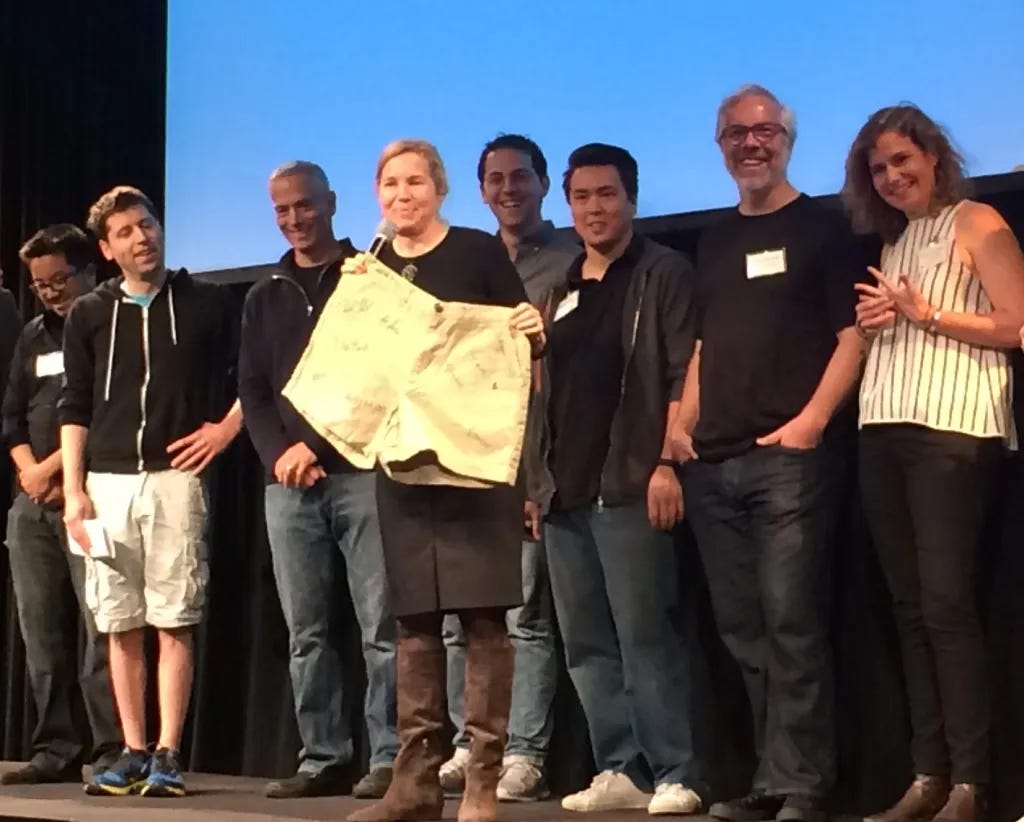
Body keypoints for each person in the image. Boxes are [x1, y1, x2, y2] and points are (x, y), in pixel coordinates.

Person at [672, 85, 863, 822]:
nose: (751, 143)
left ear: (787, 138)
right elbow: (699, 346)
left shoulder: (825, 227)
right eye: (736, 133)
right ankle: (771, 778)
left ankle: (805, 786)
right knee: (743, 631)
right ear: (719, 144)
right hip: (713, 464)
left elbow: (853, 335)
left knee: (791, 624)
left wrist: (811, 422)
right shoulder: (714, 239)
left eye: (765, 131)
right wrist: (681, 428)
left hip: (789, 459)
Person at [347, 138, 544, 822]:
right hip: (402, 466)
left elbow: (521, 339)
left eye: (415, 182)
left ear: (440, 188)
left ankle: (483, 780)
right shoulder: (368, 269)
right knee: (414, 619)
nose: (402, 194)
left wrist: (530, 328)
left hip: (475, 463)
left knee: (483, 615)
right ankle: (416, 784)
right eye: (390, 184)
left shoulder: (476, 252)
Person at [843, 104, 1024, 822]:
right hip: (883, 427)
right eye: (878, 168)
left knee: (948, 610)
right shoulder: (897, 241)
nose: (892, 176)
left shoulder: (977, 221)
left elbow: (1017, 323)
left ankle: (973, 784)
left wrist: (928, 317)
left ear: (934, 156)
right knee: (910, 611)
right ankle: (929, 773)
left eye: (901, 160)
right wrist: (880, 323)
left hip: (953, 431)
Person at [60, 186, 243, 797]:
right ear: (108, 250)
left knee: (174, 616)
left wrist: (225, 430)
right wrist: (74, 489)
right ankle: (132, 750)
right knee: (120, 623)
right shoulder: (90, 313)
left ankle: (168, 753)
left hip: (173, 479)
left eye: (148, 224)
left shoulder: (205, 303)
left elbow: (257, 373)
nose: (144, 238)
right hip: (107, 483)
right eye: (128, 232)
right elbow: (74, 403)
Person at [544, 142, 703, 816]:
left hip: (633, 481)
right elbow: (542, 394)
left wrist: (668, 459)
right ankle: (619, 765)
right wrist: (535, 486)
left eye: (606, 194)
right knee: (585, 644)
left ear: (631, 199)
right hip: (565, 491)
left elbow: (684, 369)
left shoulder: (662, 271)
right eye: (581, 197)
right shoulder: (561, 285)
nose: (593, 208)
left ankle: (676, 771)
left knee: (646, 635)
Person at [238, 160, 397, 800]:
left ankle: (388, 757)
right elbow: (252, 389)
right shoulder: (264, 292)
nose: (295, 220)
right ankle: (323, 755)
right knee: (307, 632)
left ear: (331, 202)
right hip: (289, 486)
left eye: (304, 205)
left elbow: (383, 379)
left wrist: (318, 444)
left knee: (381, 626)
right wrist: (281, 453)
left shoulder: (370, 280)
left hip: (361, 473)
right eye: (282, 210)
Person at [438, 134, 574, 803]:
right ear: (480, 189)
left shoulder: (570, 260)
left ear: (545, 184)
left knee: (525, 619)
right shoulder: (467, 258)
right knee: (459, 615)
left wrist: (532, 476)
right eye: (495, 179)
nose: (508, 189)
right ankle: (469, 741)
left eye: (521, 177)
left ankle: (523, 752)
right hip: (464, 461)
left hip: (534, 462)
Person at [1, 225, 121, 786]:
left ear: (89, 270)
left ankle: (111, 747)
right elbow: (12, 415)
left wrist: (53, 471)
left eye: (58, 279)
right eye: (39, 284)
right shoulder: (34, 335)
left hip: (90, 495)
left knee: (101, 628)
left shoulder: (108, 325)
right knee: (40, 630)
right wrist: (28, 470)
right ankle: (55, 746)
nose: (49, 292)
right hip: (32, 504)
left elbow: (105, 409)